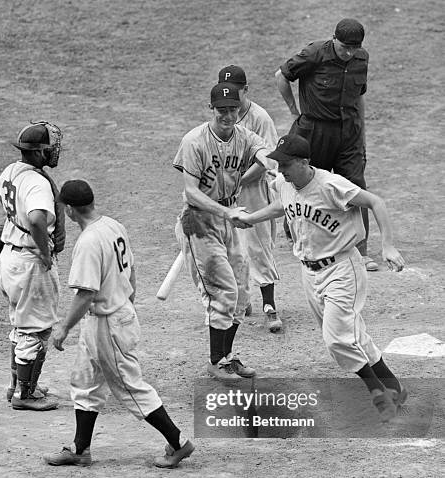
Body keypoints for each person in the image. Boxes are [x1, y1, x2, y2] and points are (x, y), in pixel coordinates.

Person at [229, 134, 407, 421]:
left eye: (286, 164)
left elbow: (375, 202)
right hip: (309, 272)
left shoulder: (330, 185)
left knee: (337, 338)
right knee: (353, 335)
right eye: (279, 163)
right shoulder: (285, 184)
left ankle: (380, 396)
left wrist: (387, 245)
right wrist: (251, 218)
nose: (281, 169)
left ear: (304, 162)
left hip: (342, 269)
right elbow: (282, 206)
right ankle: (394, 389)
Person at [44, 180, 194, 469]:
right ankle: (79, 449)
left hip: (107, 322)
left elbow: (86, 293)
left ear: (71, 210)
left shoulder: (88, 242)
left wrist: (63, 328)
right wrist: (128, 303)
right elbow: (132, 270)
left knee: (129, 386)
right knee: (85, 381)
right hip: (112, 315)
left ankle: (178, 442)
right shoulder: (112, 225)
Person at [174, 82, 272, 382]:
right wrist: (226, 211)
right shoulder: (195, 141)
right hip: (199, 223)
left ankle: (227, 357)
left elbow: (267, 155)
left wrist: (281, 171)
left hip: (228, 219)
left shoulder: (244, 136)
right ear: (211, 109)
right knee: (224, 291)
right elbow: (191, 192)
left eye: (233, 110)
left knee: (241, 291)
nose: (228, 116)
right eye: (222, 111)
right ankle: (216, 361)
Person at [275, 18, 379, 272]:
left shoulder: (361, 59)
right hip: (315, 131)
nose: (349, 53)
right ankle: (295, 231)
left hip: (349, 133)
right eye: (344, 47)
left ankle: (360, 249)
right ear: (334, 39)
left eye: (354, 48)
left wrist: (361, 131)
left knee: (354, 186)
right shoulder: (314, 54)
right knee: (306, 183)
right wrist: (293, 111)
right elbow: (281, 76)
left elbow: (359, 98)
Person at [0, 121, 65, 411]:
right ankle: (25, 395)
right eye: (50, 148)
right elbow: (37, 219)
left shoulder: (12, 171)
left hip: (10, 259)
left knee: (20, 325)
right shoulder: (37, 182)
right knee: (35, 330)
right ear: (38, 152)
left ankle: (18, 384)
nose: (54, 152)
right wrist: (45, 252)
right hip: (29, 263)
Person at [218, 65, 282, 332]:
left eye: (236, 92)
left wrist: (237, 181)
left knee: (257, 245)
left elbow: (268, 160)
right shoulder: (223, 115)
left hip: (253, 190)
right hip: (224, 192)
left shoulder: (259, 118)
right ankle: (241, 301)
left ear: (246, 89)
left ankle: (269, 305)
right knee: (229, 246)